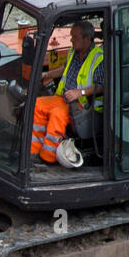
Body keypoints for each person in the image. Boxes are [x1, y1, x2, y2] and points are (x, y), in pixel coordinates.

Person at [31, 21, 104, 164]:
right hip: (64, 98)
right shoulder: (73, 51)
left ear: (87, 38)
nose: (71, 40)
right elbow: (65, 68)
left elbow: (103, 86)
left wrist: (80, 92)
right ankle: (33, 152)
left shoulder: (99, 58)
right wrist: (48, 75)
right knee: (37, 104)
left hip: (82, 105)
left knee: (57, 115)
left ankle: (47, 158)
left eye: (74, 37)